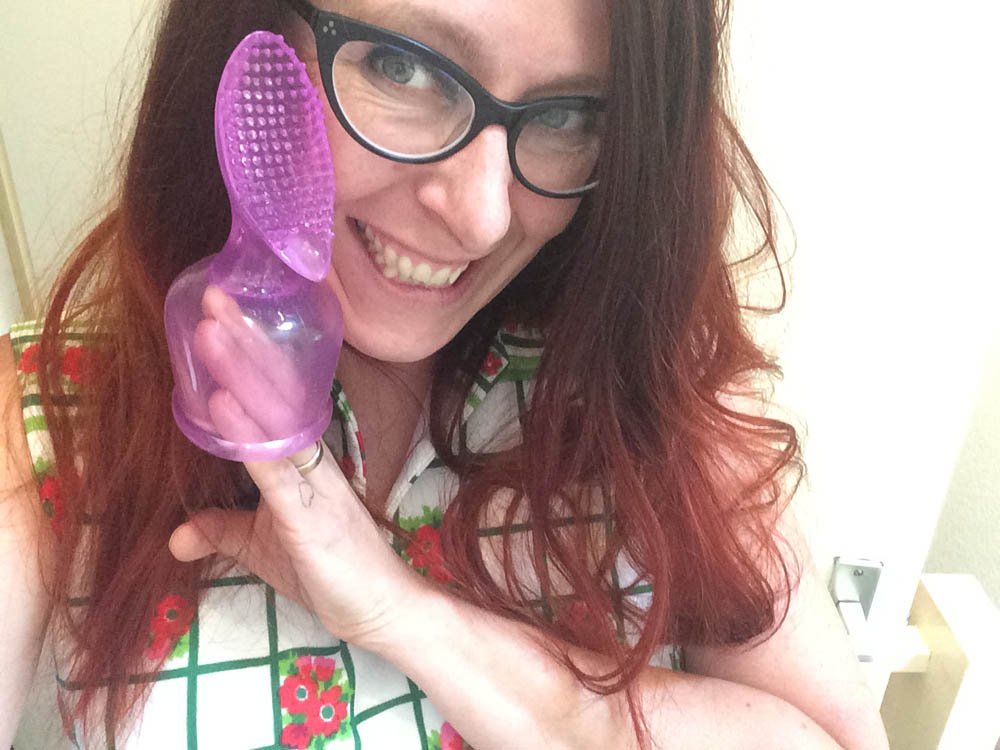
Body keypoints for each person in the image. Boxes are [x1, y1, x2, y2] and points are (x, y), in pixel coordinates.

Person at [0, 0, 890, 747]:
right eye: (403, 67)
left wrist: (408, 618)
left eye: (567, 116)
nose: (481, 215)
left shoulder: (652, 388)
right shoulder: (48, 418)